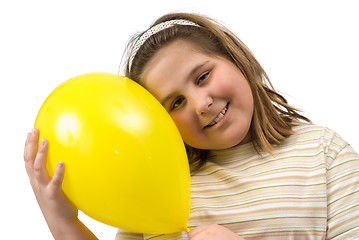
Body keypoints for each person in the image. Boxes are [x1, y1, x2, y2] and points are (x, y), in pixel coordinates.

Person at [24, 12, 359, 240]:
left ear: (234, 57)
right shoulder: (152, 186)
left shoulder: (324, 155)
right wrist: (64, 221)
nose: (201, 105)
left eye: (202, 76)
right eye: (176, 103)